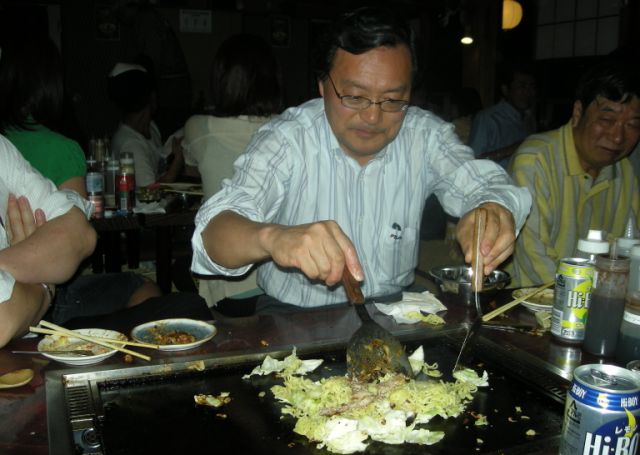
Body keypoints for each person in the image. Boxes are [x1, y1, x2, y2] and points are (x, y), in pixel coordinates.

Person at [190, 7, 532, 311]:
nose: (372, 117)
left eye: (392, 100)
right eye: (354, 97)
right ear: (323, 86)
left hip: (395, 308)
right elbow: (212, 236)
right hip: (295, 313)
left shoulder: (423, 135)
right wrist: (273, 238)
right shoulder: (287, 138)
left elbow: (489, 185)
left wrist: (493, 209)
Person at [0, 36, 163, 324]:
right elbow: (81, 238)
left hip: (27, 289)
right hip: (46, 296)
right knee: (144, 289)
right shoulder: (62, 148)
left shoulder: (6, 148)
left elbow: (77, 233)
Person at [506, 60, 640, 287]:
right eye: (607, 120)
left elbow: (630, 252)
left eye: (633, 125)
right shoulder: (535, 161)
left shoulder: (624, 171)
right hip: (526, 301)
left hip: (594, 301)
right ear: (578, 112)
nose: (618, 137)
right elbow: (535, 263)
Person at [182, 33, 282, 315]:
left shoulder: (198, 127)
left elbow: (190, 169)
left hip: (229, 288)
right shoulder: (290, 129)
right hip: (286, 284)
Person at [0, 134, 96, 347]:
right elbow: (3, 321)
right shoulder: (63, 147)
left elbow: (80, 235)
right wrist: (43, 285)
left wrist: (10, 267)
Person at [107, 61, 184, 187]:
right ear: (151, 97)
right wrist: (178, 161)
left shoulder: (151, 127)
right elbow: (150, 193)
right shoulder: (130, 145)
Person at [468, 63, 537, 168]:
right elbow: (473, 162)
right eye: (521, 86)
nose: (528, 92)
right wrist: (515, 148)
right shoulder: (487, 118)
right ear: (505, 90)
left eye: (531, 87)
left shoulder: (529, 119)